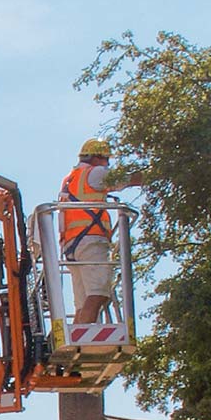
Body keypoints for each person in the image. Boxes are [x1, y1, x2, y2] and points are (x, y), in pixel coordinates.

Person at [59, 137, 145, 324]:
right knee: (98, 294)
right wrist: (157, 174)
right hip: (90, 239)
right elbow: (127, 179)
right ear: (98, 157)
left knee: (83, 303)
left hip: (72, 245)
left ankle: (79, 340)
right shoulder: (95, 173)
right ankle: (84, 341)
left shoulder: (70, 178)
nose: (108, 165)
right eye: (107, 160)